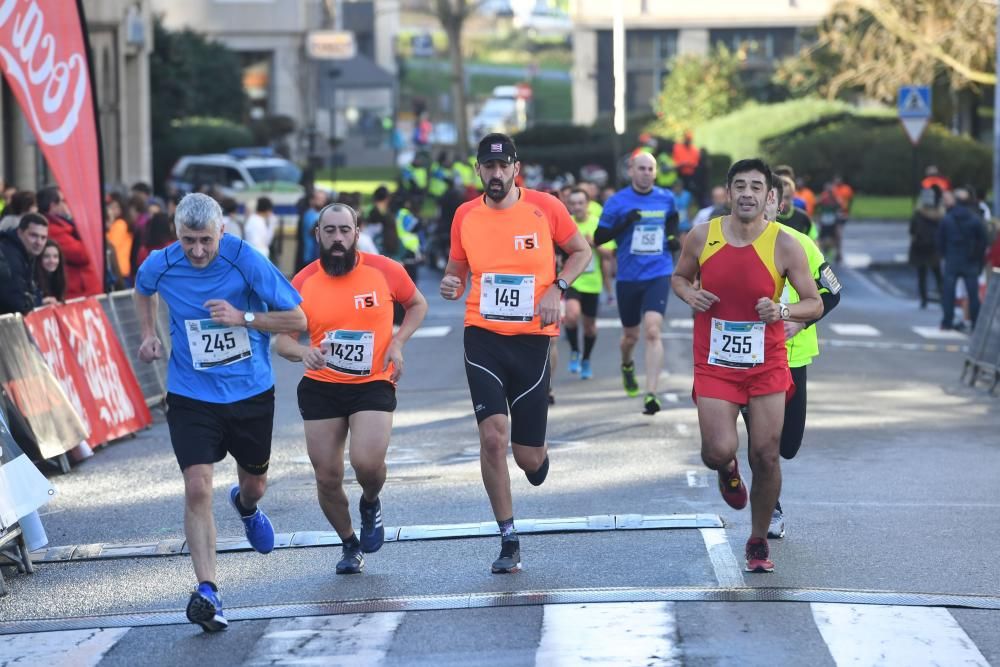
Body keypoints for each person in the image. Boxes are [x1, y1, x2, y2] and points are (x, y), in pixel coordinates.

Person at [133, 193, 306, 633]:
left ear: (222, 233)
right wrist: (149, 334)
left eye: (205, 241)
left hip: (249, 392)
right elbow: (142, 289)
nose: (196, 251)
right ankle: (208, 590)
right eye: (188, 240)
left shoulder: (245, 260)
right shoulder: (162, 263)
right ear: (176, 235)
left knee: (255, 484)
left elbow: (297, 319)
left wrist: (243, 317)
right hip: (191, 394)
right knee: (196, 486)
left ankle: (247, 509)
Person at [440, 133, 591, 573]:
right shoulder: (465, 215)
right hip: (482, 336)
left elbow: (580, 252)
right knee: (492, 435)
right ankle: (508, 537)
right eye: (488, 167)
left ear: (515, 169)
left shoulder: (546, 208)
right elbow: (455, 271)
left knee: (528, 457)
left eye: (503, 166)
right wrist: (452, 284)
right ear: (479, 171)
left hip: (532, 339)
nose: (496, 174)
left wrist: (558, 288)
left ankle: (537, 459)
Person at [670, 159, 822, 573]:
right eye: (740, 186)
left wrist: (782, 309)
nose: (748, 194)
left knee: (767, 454)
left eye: (757, 187)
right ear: (728, 192)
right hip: (716, 362)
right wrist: (689, 295)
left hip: (766, 363)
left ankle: (757, 540)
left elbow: (815, 301)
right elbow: (680, 278)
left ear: (770, 196)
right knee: (717, 450)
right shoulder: (703, 236)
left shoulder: (786, 244)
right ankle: (727, 469)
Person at [278, 203, 427, 574]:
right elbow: (281, 340)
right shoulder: (302, 282)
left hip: (372, 382)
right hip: (321, 386)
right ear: (318, 234)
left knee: (366, 462)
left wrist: (398, 342)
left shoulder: (386, 270)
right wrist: (302, 352)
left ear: (357, 232)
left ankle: (370, 500)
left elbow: (417, 304)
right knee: (327, 477)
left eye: (345, 230)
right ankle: (349, 542)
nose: (338, 238)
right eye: (330, 231)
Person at [742, 175, 842, 539]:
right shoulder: (729, 241)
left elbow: (832, 293)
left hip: (792, 355)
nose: (757, 202)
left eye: (767, 197)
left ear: (778, 205)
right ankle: (771, 509)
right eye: (749, 192)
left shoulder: (800, 243)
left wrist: (798, 323)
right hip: (747, 357)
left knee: (788, 445)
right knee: (762, 443)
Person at [594, 151, 679, 415]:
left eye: (650, 169)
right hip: (629, 276)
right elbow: (599, 238)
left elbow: (673, 220)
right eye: (641, 168)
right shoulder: (617, 202)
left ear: (655, 172)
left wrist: (674, 238)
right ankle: (627, 364)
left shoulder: (666, 198)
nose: (645, 173)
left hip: (658, 271)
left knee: (653, 330)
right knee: (630, 336)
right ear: (630, 171)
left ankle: (651, 394)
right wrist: (624, 222)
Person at [564, 188, 614, 380]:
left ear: (588, 204)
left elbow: (609, 254)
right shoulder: (566, 224)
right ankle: (575, 351)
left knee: (590, 327)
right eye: (573, 203)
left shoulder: (597, 224)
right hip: (572, 279)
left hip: (593, 283)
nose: (577, 207)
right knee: (571, 315)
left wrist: (593, 244)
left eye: (580, 203)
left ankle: (586, 359)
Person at [37, 186, 101, 299]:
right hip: (76, 292)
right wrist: (87, 236)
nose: (68, 204)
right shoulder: (53, 229)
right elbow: (83, 254)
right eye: (64, 201)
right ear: (53, 205)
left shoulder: (65, 225)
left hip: (83, 290)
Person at [937, 188, 987, 331]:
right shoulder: (975, 219)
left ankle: (947, 321)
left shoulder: (948, 218)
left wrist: (945, 255)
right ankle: (975, 323)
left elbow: (940, 240)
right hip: (970, 260)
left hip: (952, 259)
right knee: (972, 294)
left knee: (948, 293)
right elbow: (983, 240)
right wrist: (978, 258)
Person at [0, 213, 47, 315]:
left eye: (43, 238)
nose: (39, 242)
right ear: (20, 232)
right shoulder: (10, 256)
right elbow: (15, 302)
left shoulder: (26, 252)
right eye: (33, 235)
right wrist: (39, 304)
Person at [909, 187, 944, 309]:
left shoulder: (918, 214)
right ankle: (943, 297)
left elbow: (912, 230)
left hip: (919, 247)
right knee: (938, 274)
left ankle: (923, 300)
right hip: (934, 247)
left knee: (922, 275)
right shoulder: (939, 215)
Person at [105, 193, 134, 285]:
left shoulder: (120, 224)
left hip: (119, 271)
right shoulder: (119, 224)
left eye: (116, 207)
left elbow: (112, 245)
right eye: (110, 207)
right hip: (121, 270)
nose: (112, 210)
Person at [35, 239, 65, 305]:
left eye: (55, 256)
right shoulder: (33, 280)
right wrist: (41, 302)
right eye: (46, 256)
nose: (52, 261)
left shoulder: (58, 278)